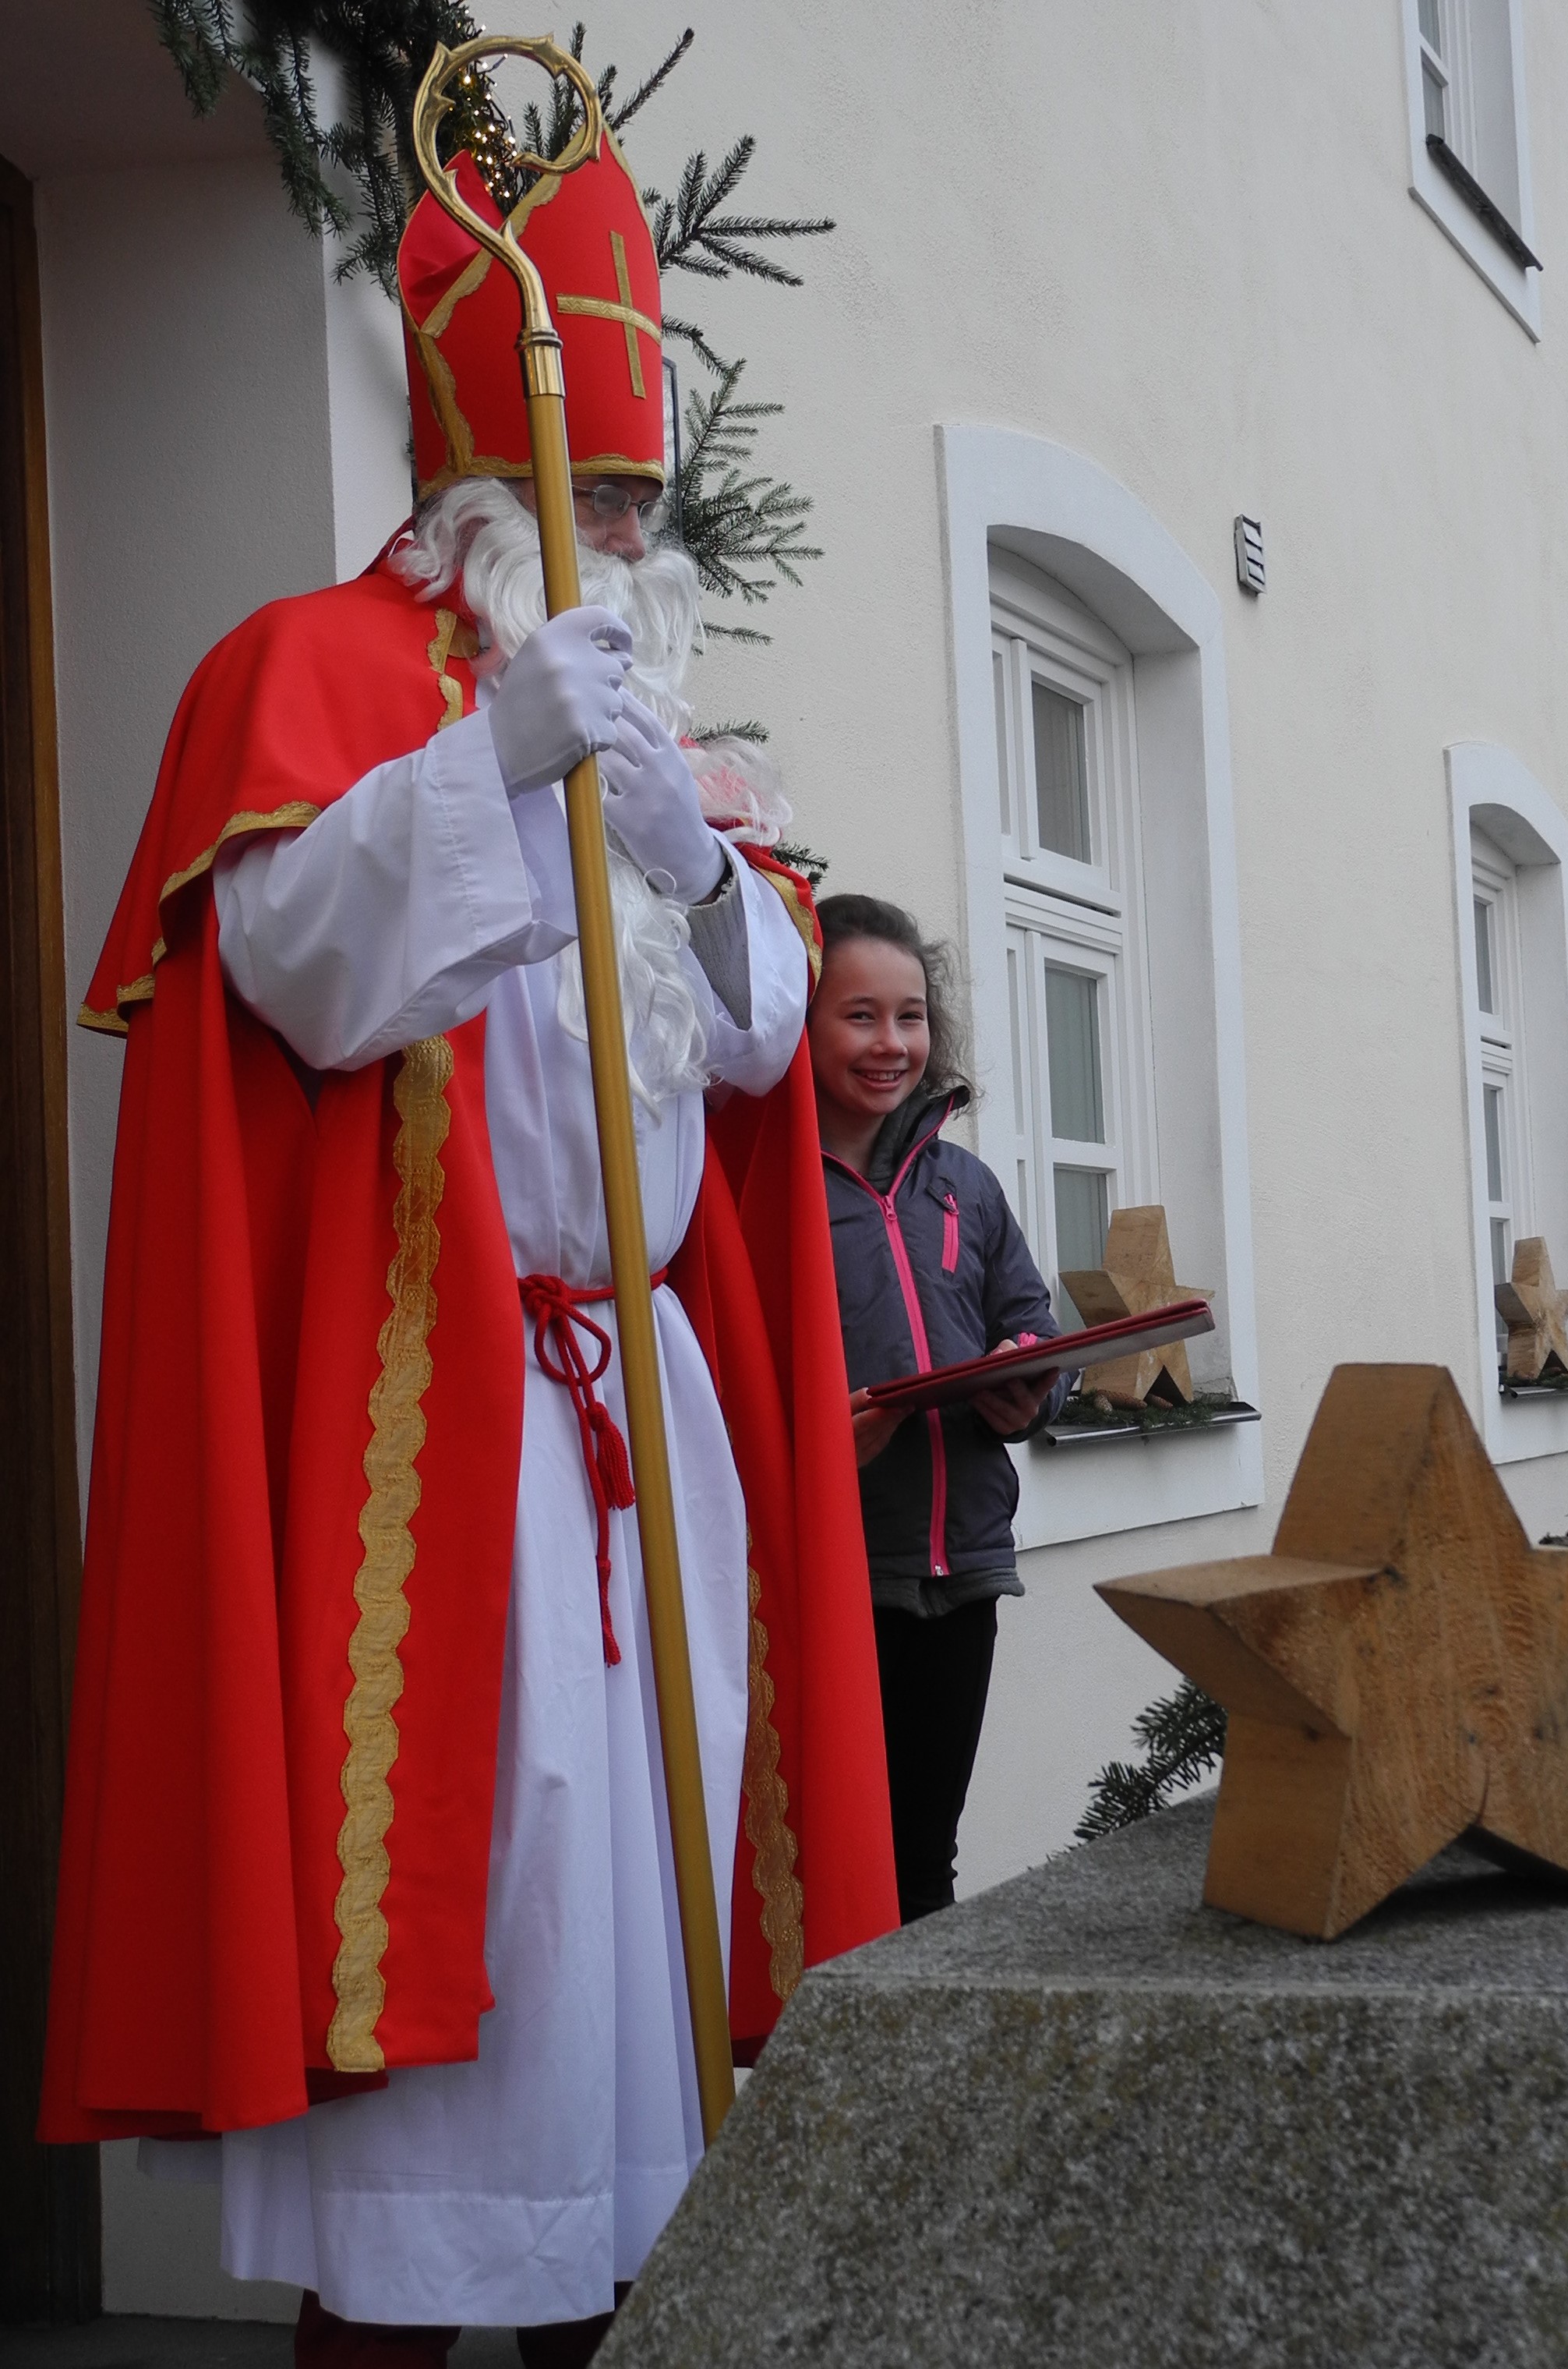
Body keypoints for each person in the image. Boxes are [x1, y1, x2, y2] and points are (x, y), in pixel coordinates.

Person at [41, 139, 896, 2367]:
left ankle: (623, 2314)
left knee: (659, 1920)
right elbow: (302, 986)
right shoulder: (310, 674)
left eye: (640, 500)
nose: (629, 541)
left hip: (653, 1412)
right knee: (484, 1943)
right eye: (591, 498)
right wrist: (486, 767)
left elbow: (766, 1044)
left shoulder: (668, 732)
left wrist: (684, 859)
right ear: (484, 475)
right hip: (441, 1427)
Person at [807, 893, 1072, 1925]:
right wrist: (819, 1444)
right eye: (859, 1015)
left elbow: (1027, 1320)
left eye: (909, 1016)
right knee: (836, 1870)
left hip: (963, 1565)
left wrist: (1026, 1389)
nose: (891, 1044)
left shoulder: (963, 1184)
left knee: (925, 1868)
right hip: (836, 1572)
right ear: (801, 1020)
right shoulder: (761, 1183)